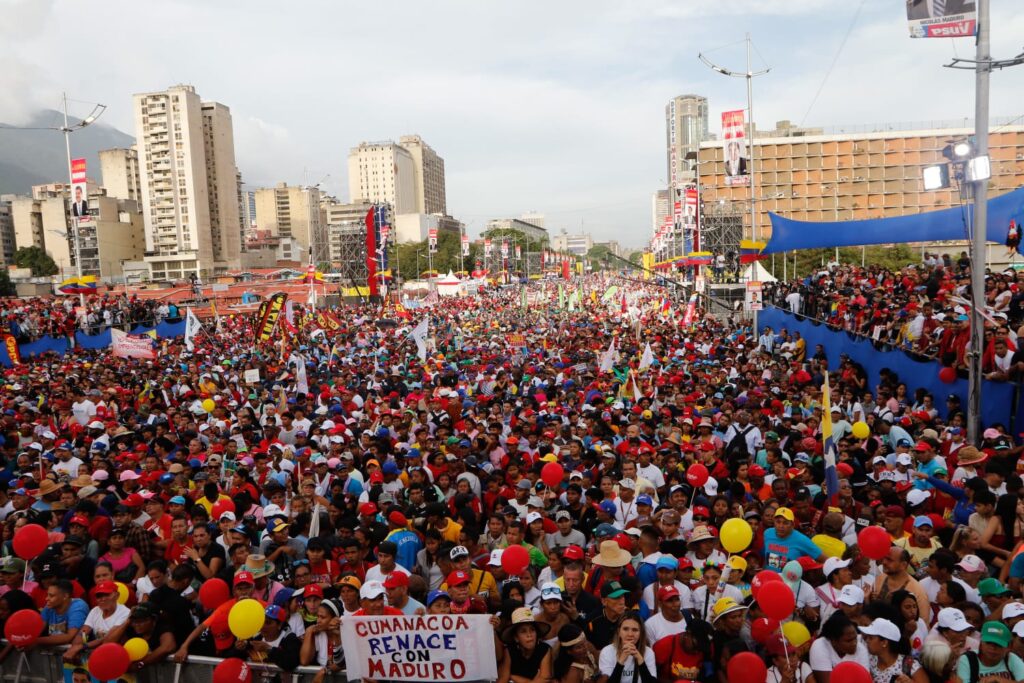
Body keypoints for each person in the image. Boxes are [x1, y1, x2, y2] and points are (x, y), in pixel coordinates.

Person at [859, 617, 927, 683]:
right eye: (867, 637)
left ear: (884, 643)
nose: (867, 640)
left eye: (871, 638)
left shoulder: (910, 665)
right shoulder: (869, 661)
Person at [809, 612, 871, 683]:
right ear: (834, 641)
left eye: (855, 638)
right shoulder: (820, 646)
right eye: (849, 641)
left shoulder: (861, 649)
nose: (854, 643)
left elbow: (865, 680)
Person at [598, 610, 657, 683]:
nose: (630, 634)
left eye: (635, 630)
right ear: (619, 631)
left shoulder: (648, 652)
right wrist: (621, 660)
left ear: (640, 633)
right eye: (625, 629)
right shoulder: (607, 652)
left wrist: (640, 659)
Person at [498, 606, 552, 683]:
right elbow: (504, 678)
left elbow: (544, 679)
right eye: (523, 631)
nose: (529, 635)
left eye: (532, 630)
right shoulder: (509, 651)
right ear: (516, 637)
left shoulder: (544, 649)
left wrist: (513, 677)